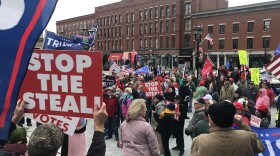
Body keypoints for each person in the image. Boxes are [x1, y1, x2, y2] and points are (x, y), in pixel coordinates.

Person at [191, 101, 265, 156]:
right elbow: (261, 147)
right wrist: (242, 125)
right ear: (233, 118)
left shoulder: (200, 140)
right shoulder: (247, 136)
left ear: (212, 120)